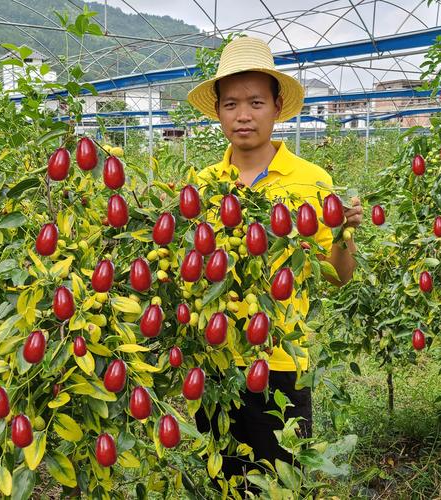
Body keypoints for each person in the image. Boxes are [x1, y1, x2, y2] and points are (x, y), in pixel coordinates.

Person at [186, 36, 363, 491]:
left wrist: (345, 233)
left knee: (280, 480)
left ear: (278, 106)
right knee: (222, 480)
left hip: (280, 360)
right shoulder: (203, 184)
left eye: (255, 102)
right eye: (231, 104)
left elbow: (339, 276)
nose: (243, 115)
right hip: (216, 358)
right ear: (219, 112)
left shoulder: (311, 181)